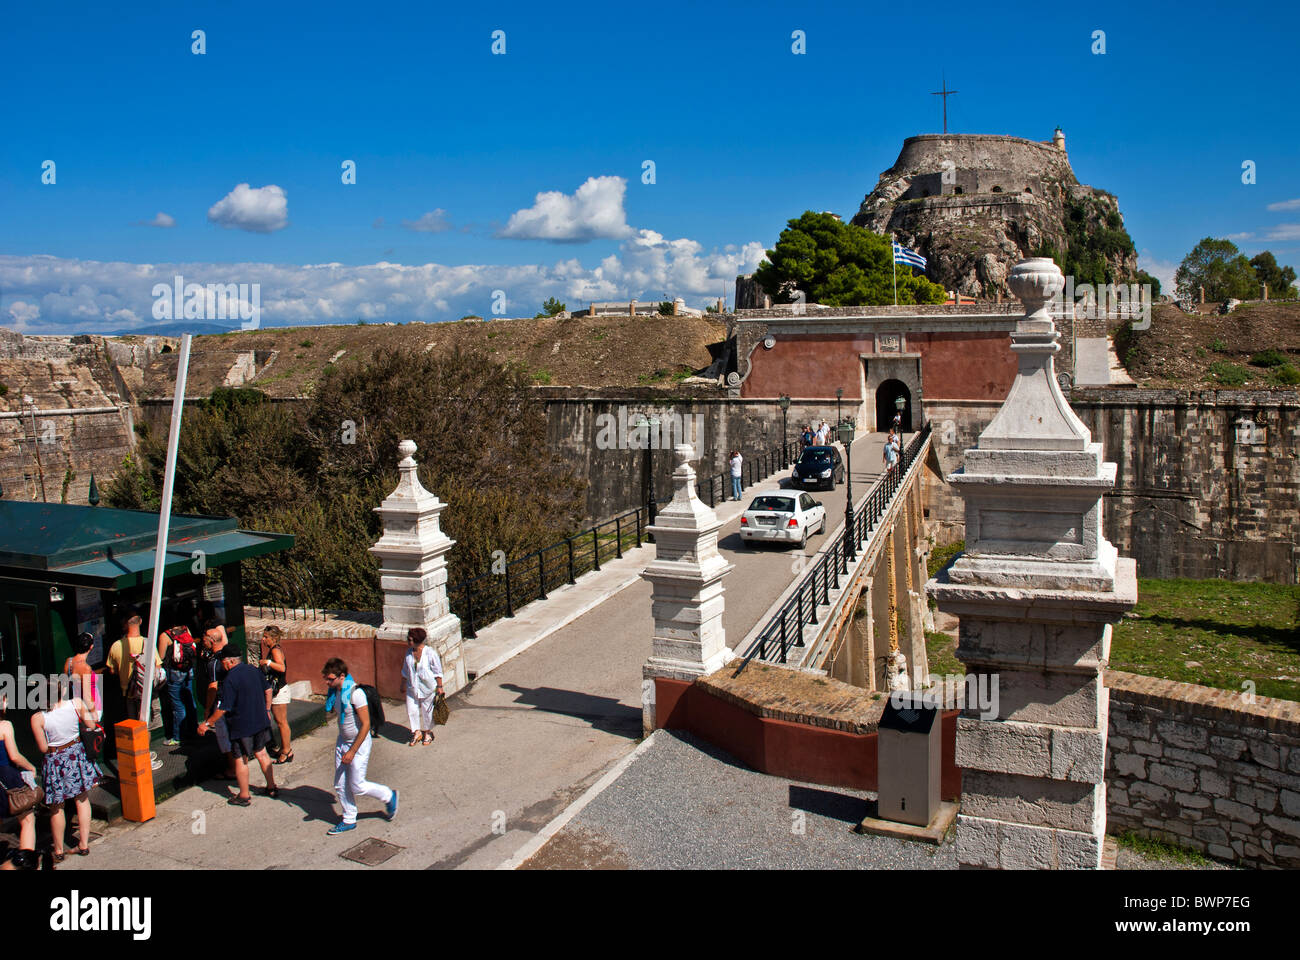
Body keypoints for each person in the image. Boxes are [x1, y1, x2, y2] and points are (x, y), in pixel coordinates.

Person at [322, 658, 397, 835]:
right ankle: (349, 819)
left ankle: (388, 795)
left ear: (342, 676)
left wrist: (352, 751)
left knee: (357, 785)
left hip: (359, 744)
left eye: (330, 679)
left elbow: (365, 725)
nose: (327, 682)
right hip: (343, 741)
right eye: (326, 678)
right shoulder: (337, 692)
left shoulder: (356, 694)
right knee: (340, 784)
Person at [32, 679, 100, 861]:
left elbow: (43, 747)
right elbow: (92, 725)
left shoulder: (38, 718)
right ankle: (84, 845)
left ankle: (59, 850)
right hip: (76, 754)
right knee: (82, 799)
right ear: (61, 691)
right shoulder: (76, 704)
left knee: (56, 807)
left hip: (55, 759)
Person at [197, 651, 278, 805]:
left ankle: (244, 795)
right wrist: (267, 710)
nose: (222, 666)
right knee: (262, 753)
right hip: (260, 721)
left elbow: (223, 708)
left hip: (241, 726)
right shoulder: (254, 670)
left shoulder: (230, 679)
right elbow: (268, 690)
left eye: (222, 662)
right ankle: (271, 787)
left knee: (240, 759)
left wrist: (207, 723)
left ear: (229, 661)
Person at [0, 702, 38, 870]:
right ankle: (26, 863)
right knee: (28, 819)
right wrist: (30, 766)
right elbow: (14, 756)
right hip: (7, 777)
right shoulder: (5, 725)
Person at [199, 620, 237, 780]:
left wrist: (208, 709)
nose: (203, 641)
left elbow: (213, 687)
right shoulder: (230, 656)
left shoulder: (214, 662)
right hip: (235, 701)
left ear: (212, 641)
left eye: (205, 639)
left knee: (225, 738)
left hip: (222, 703)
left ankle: (233, 769)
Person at [158, 617, 199, 746]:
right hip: (188, 670)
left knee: (177, 705)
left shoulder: (164, 636)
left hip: (174, 673)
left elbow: (161, 657)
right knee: (189, 700)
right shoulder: (186, 629)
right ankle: (193, 729)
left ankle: (178, 736)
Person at [103, 608, 148, 724]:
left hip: (129, 692)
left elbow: (112, 671)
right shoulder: (148, 643)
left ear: (124, 624)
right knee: (146, 726)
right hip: (147, 691)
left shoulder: (116, 645)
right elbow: (157, 667)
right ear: (140, 621)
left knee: (133, 725)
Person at [400, 628, 444, 746]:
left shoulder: (430, 653)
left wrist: (440, 686)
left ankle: (428, 733)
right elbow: (405, 670)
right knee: (411, 710)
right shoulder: (408, 653)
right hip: (412, 687)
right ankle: (417, 732)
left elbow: (437, 671)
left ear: (417, 641)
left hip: (427, 688)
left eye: (410, 640)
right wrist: (403, 683)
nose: (408, 642)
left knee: (427, 711)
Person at [257, 626, 293, 763]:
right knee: (279, 722)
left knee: (281, 722)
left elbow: (281, 667)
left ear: (273, 638)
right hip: (276, 690)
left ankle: (286, 751)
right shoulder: (273, 650)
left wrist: (268, 662)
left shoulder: (276, 650)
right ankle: (284, 748)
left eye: (266, 637)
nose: (263, 639)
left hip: (280, 691)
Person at [64, 631, 101, 724]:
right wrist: (94, 713)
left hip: (76, 707)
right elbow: (87, 695)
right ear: (91, 647)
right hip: (91, 708)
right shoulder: (86, 668)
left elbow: (65, 685)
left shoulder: (69, 662)